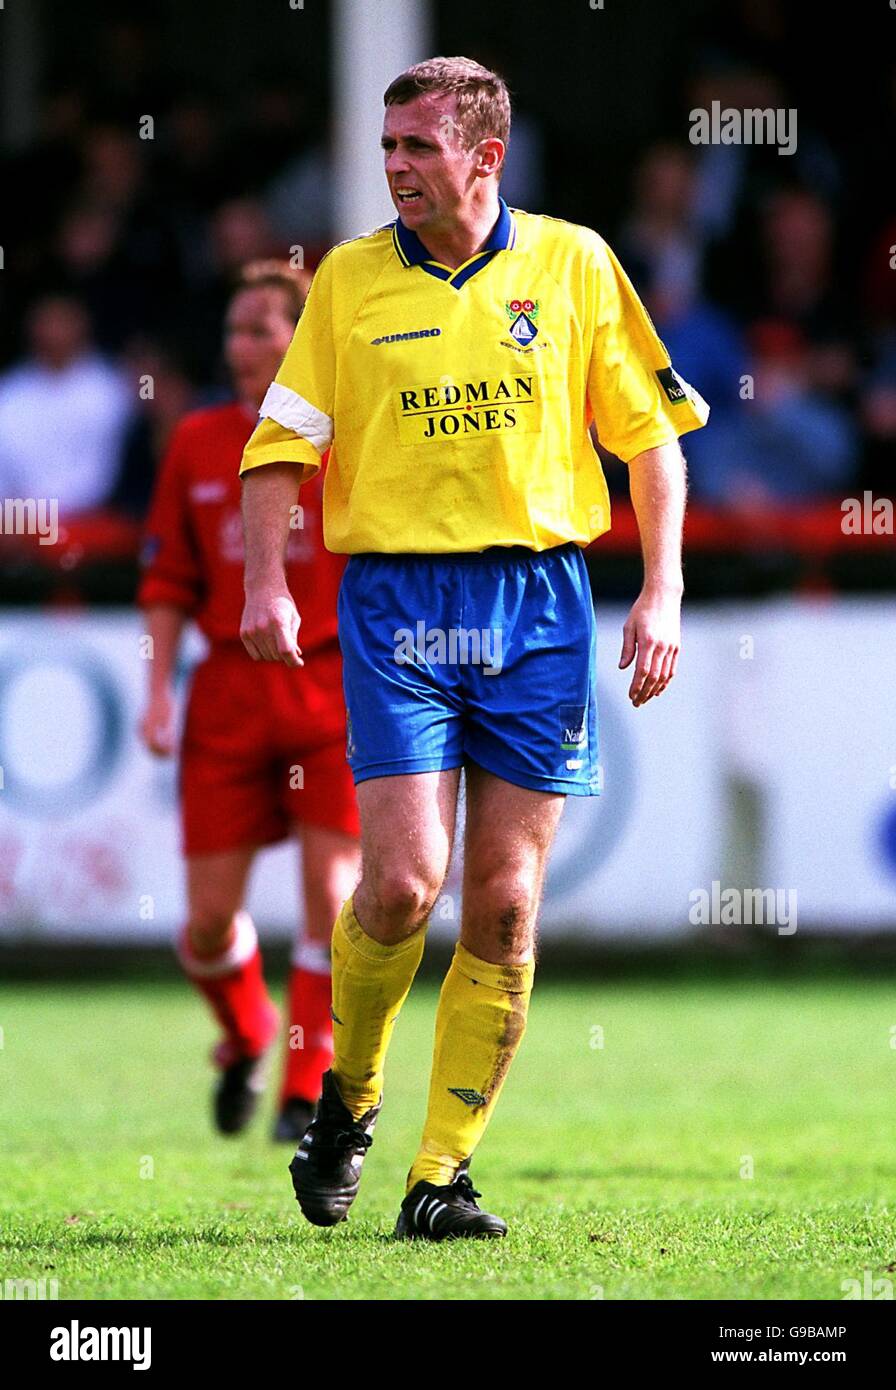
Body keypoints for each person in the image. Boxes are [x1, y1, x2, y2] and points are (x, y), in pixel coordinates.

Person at [239, 57, 708, 1239]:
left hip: (538, 602)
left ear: (484, 155)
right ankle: (347, 1097)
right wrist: (262, 581)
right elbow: (279, 446)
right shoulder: (345, 279)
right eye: (386, 147)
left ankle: (437, 1177)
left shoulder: (574, 263)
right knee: (400, 883)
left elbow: (648, 440)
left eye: (414, 148)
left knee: (503, 906)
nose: (391, 167)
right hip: (397, 602)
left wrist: (661, 591)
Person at [138, 261, 360, 1141]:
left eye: (264, 327)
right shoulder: (196, 441)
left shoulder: (352, 438)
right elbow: (165, 578)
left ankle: (305, 1088)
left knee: (331, 891)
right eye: (235, 328)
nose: (243, 345)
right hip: (229, 692)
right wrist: (156, 690)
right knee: (205, 923)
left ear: (304, 339)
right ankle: (249, 1033)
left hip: (332, 683)